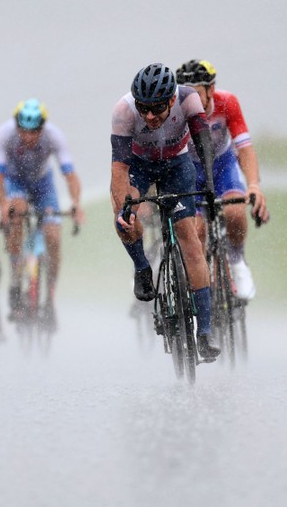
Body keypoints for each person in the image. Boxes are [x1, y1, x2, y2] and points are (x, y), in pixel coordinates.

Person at [110, 63, 220, 359]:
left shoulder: (188, 100)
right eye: (143, 108)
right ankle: (142, 267)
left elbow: (203, 144)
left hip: (177, 166)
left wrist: (208, 185)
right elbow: (119, 168)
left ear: (171, 99)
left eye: (156, 108)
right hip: (139, 167)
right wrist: (124, 210)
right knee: (125, 219)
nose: (148, 116)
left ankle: (206, 332)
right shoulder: (123, 111)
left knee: (191, 242)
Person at [175, 59, 270, 299]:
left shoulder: (227, 103)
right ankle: (202, 286)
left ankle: (237, 261)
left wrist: (254, 186)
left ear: (211, 89)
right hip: (190, 170)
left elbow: (245, 148)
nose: (190, 102)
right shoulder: (174, 112)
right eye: (184, 96)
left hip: (222, 164)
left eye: (195, 94)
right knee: (196, 231)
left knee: (235, 212)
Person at [0, 98, 85, 323]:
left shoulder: (54, 136)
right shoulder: (4, 135)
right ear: (17, 127)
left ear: (42, 128)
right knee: (17, 212)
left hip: (43, 184)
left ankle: (50, 295)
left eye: (35, 132)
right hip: (15, 182)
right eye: (24, 131)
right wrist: (4, 204)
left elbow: (70, 175)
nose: (29, 137)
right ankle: (15, 279)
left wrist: (75, 202)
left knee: (53, 235)